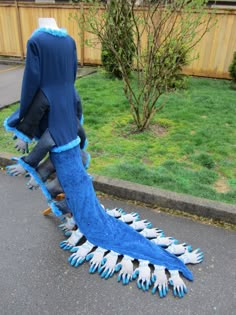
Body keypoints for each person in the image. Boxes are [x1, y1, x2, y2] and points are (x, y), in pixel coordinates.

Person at [4, 17, 203, 298]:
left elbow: (31, 84)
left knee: (63, 158)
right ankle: (64, 193)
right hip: (67, 103)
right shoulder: (69, 40)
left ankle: (70, 201)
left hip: (48, 105)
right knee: (71, 155)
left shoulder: (36, 40)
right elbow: (71, 75)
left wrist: (24, 121)